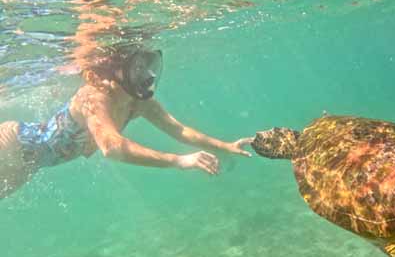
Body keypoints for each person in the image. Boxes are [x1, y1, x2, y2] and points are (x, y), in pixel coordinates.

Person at [0, 44, 253, 199]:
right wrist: (180, 160)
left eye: (150, 67)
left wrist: (224, 146)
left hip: (31, 164)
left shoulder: (137, 102)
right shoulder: (94, 98)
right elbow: (112, 147)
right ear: (120, 69)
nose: (148, 75)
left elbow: (178, 129)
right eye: (140, 68)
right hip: (11, 143)